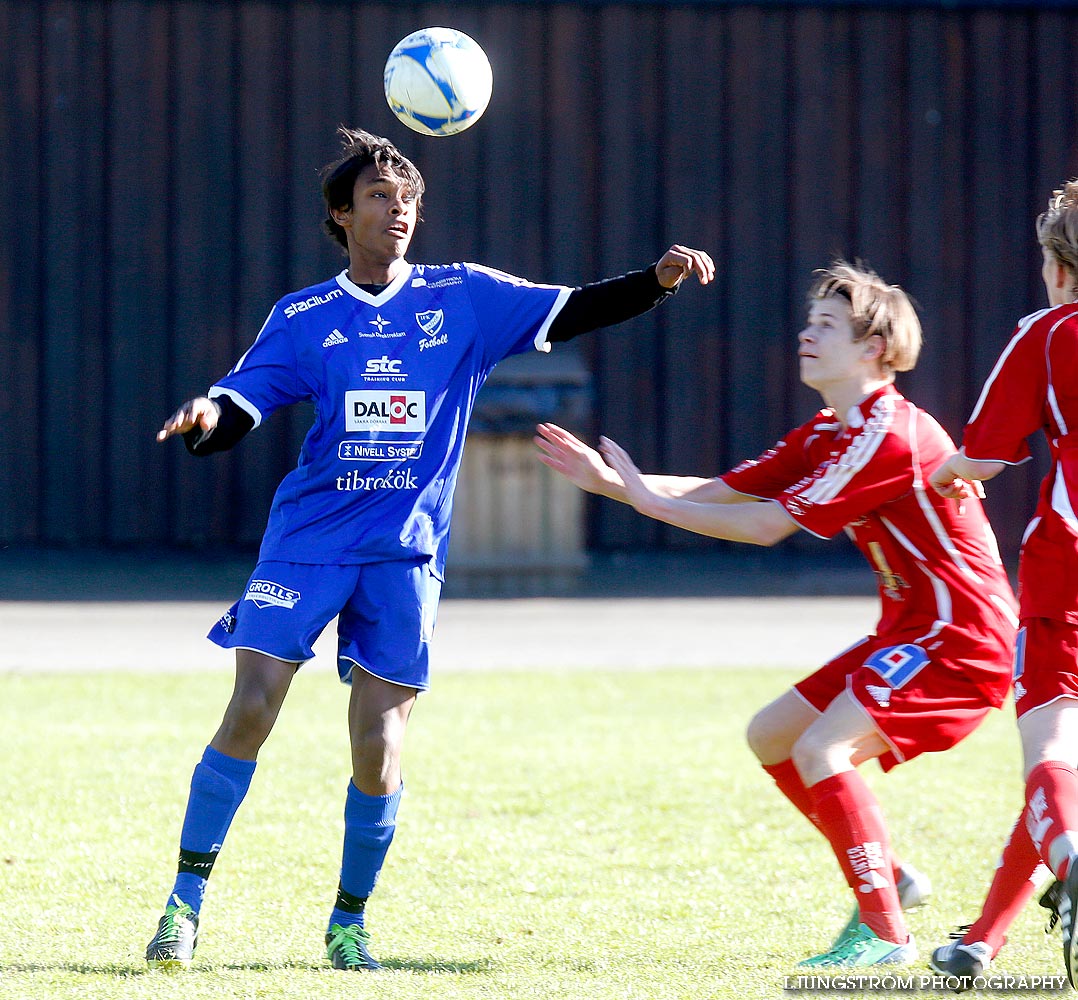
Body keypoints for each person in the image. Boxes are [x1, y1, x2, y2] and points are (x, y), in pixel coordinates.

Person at [147, 125, 715, 972]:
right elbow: (242, 402)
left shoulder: (466, 299)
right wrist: (205, 423)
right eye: (379, 196)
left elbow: (573, 306)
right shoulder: (304, 316)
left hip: (405, 552)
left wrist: (656, 282)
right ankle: (182, 909)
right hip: (309, 539)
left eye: (408, 197)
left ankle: (349, 924)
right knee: (253, 706)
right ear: (341, 215)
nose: (398, 209)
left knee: (379, 745)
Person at [535, 261, 1018, 968]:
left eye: (826, 325)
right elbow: (723, 491)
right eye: (808, 321)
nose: (804, 334)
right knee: (773, 735)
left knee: (822, 750)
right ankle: (890, 875)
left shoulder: (889, 435)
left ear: (874, 348)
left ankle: (887, 936)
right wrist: (614, 485)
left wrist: (647, 502)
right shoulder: (833, 430)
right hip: (913, 633)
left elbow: (766, 527)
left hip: (960, 640)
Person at [927, 179, 1078, 989]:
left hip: (1068, 566)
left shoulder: (1048, 333)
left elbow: (981, 455)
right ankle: (984, 938)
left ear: (1059, 269)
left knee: (1052, 747)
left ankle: (1067, 870)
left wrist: (948, 475)